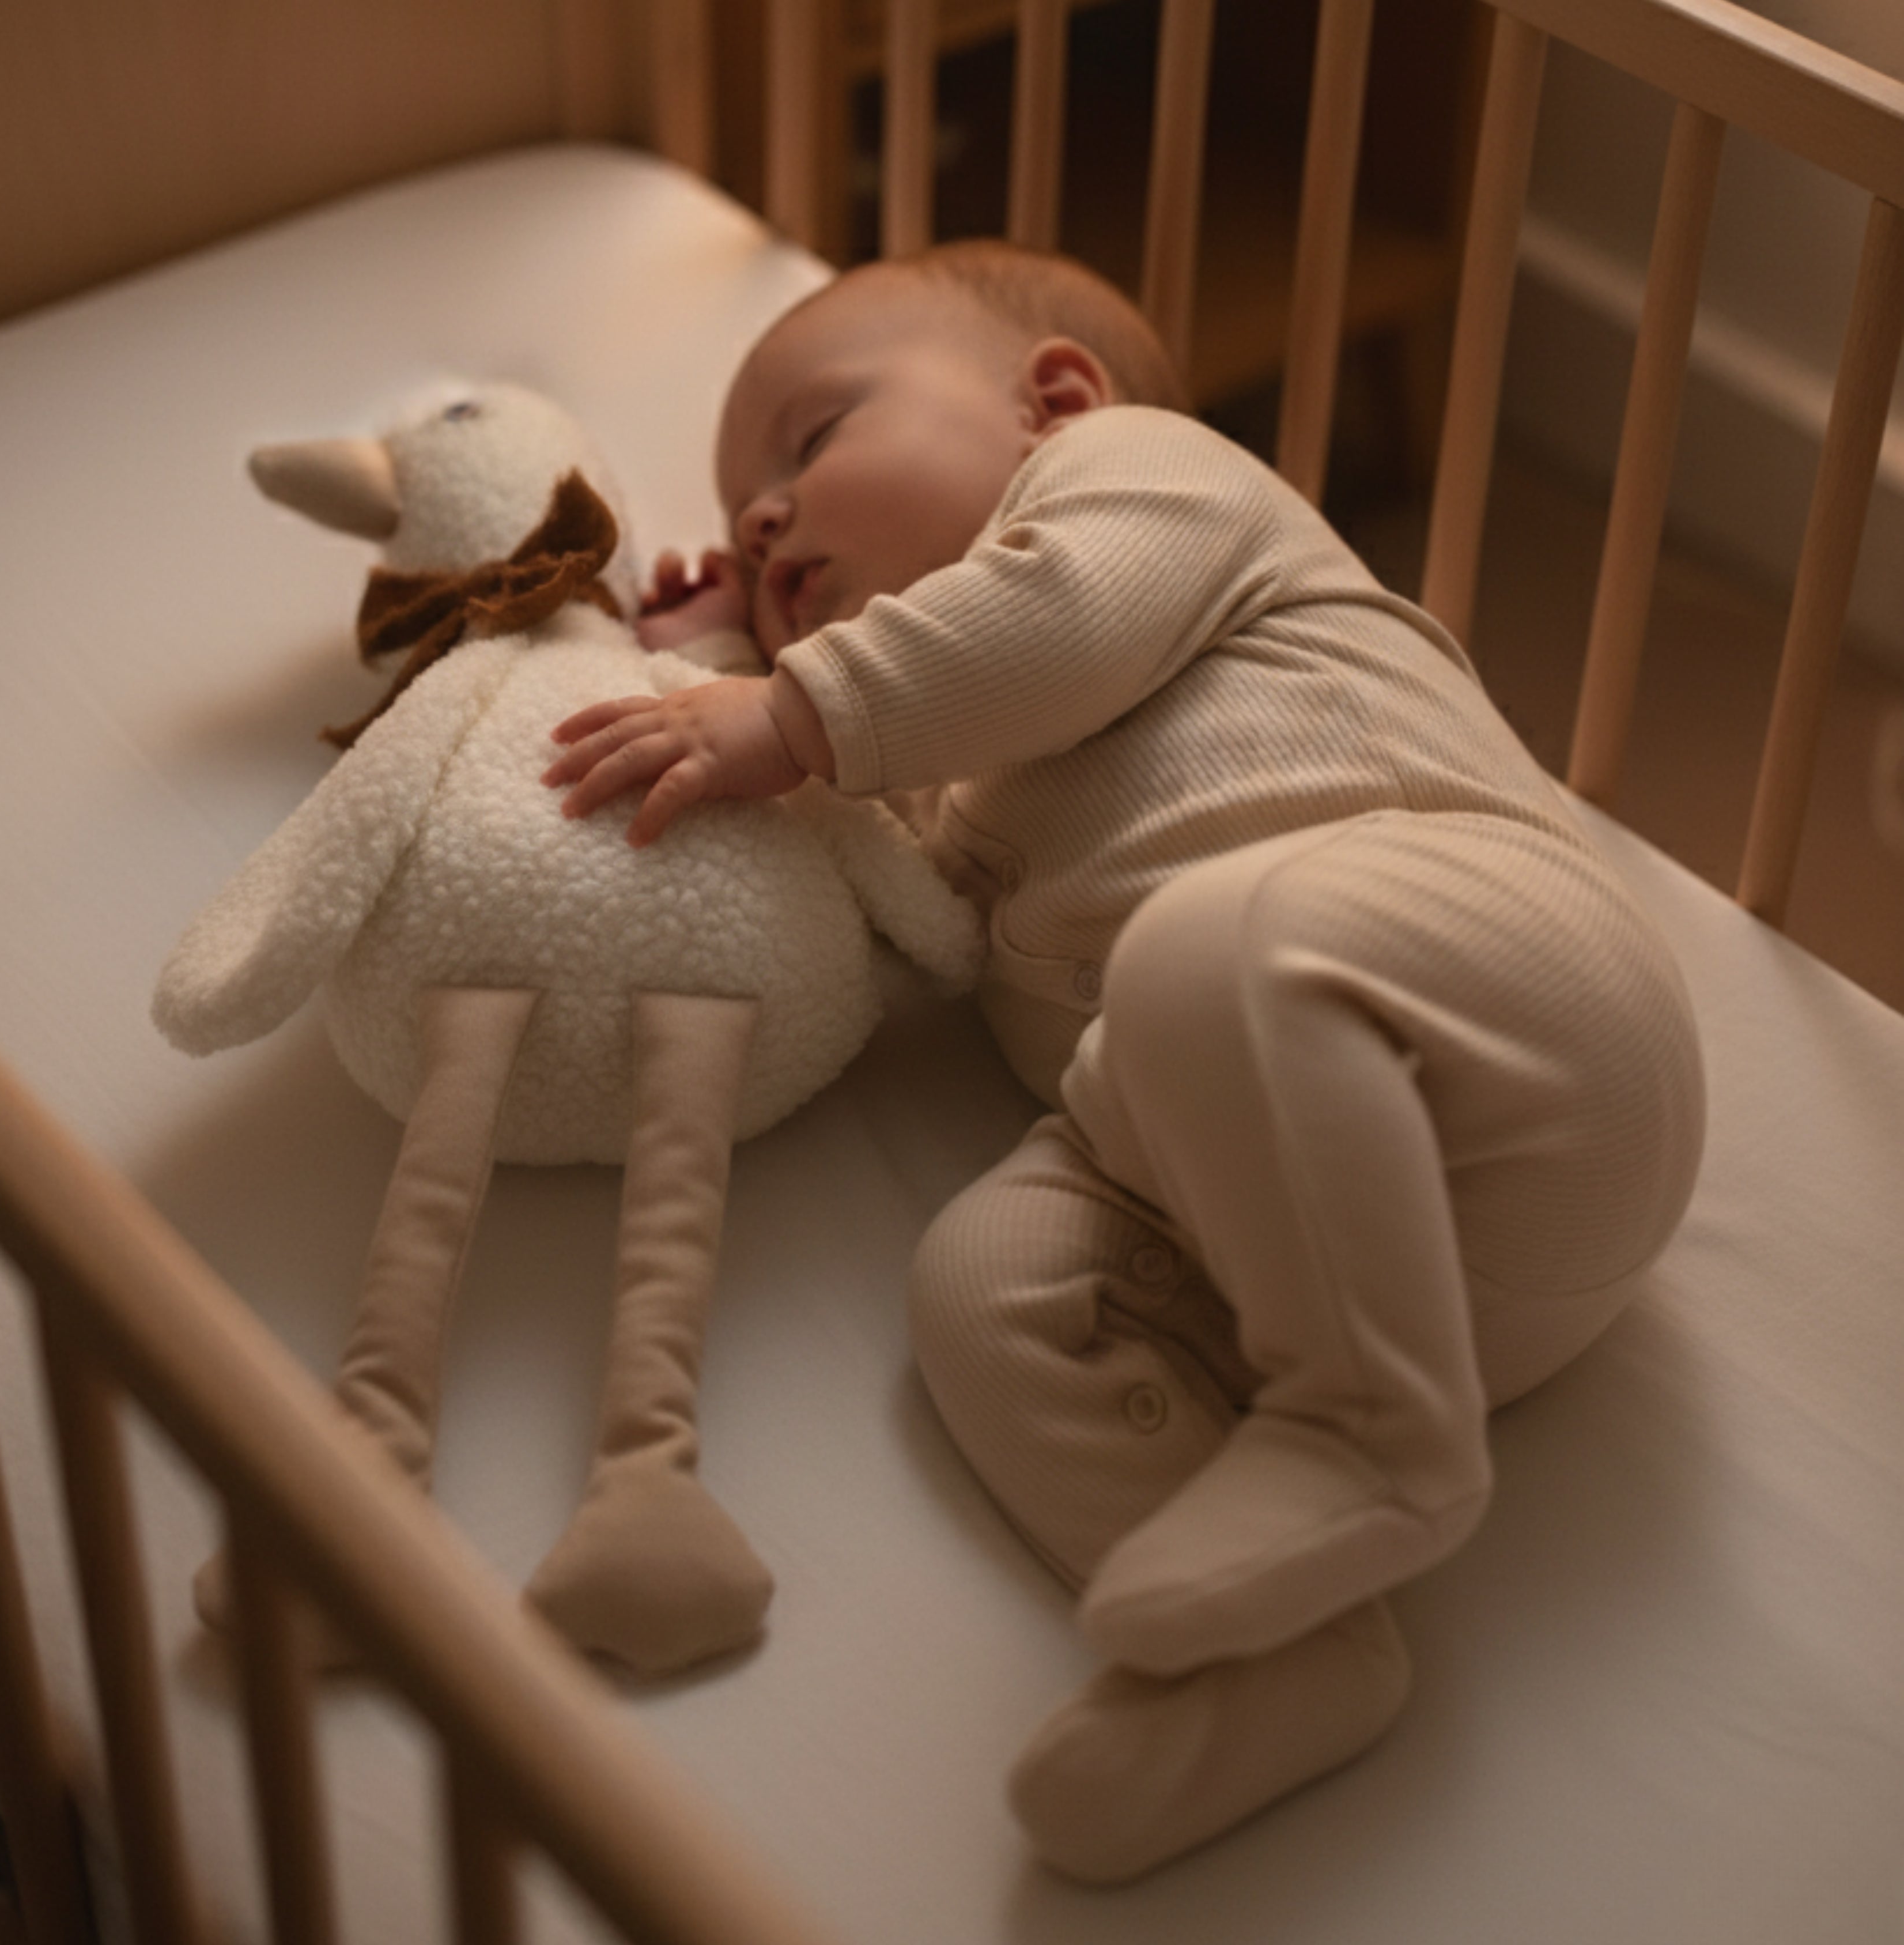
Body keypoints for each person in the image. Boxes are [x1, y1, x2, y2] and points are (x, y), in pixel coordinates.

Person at [541, 240, 1705, 1882]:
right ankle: (1286, 1649)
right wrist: (721, 663)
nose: (764, 519)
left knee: (1206, 953)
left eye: (810, 442)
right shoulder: (937, 774)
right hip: (1343, 1247)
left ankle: (1366, 1436)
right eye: (744, 521)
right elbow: (865, 879)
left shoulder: (1137, 481)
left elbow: (1050, 621)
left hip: (1521, 1016)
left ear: (1053, 400)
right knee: (981, 1286)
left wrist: (788, 708)